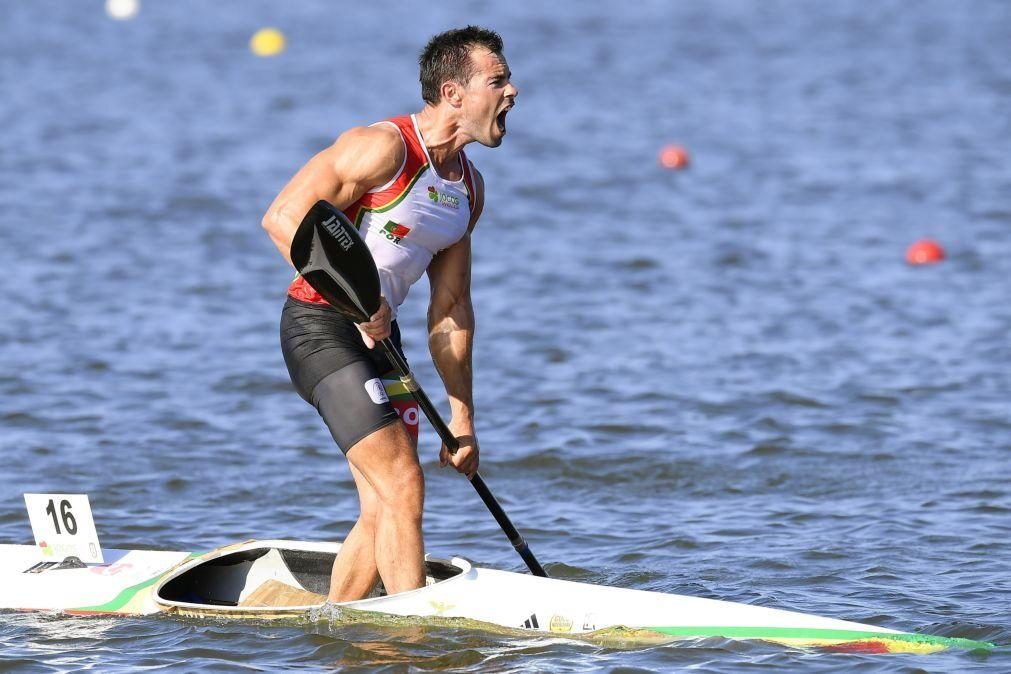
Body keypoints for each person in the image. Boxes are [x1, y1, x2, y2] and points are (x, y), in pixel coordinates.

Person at [261, 26, 517, 601]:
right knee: (403, 483)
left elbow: (450, 311)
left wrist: (462, 417)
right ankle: (417, 637)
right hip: (320, 326)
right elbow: (282, 217)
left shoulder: (468, 192)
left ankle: (338, 624)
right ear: (452, 92)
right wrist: (355, 302)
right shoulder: (383, 148)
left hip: (383, 339)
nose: (513, 91)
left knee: (383, 503)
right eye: (497, 80)